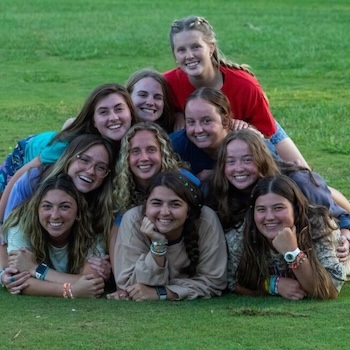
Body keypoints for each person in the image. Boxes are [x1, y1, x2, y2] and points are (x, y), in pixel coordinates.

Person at [164, 15, 309, 167]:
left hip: (255, 132)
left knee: (304, 177)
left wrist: (239, 126)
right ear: (175, 54)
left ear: (211, 48)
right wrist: (177, 115)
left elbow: (266, 131)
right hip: (203, 140)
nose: (189, 55)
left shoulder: (245, 85)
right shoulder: (167, 83)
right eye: (181, 50)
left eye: (196, 47)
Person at [207, 129, 350, 280]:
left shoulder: (298, 182)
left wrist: (346, 237)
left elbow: (339, 214)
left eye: (247, 160)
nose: (239, 168)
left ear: (261, 159)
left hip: (318, 245)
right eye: (230, 161)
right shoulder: (218, 190)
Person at [0, 83, 138, 238]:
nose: (113, 117)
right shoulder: (70, 141)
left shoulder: (136, 141)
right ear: (93, 120)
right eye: (103, 112)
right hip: (26, 154)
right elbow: (21, 176)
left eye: (119, 109)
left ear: (131, 112)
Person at [107, 172, 227, 301]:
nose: (164, 212)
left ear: (189, 211)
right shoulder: (133, 220)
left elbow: (214, 281)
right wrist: (158, 247)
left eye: (175, 204)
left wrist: (163, 292)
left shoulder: (206, 220)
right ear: (145, 205)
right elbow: (128, 285)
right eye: (156, 203)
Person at [228, 175, 345, 300]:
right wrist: (273, 285)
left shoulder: (318, 226)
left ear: (295, 208)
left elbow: (329, 290)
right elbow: (233, 281)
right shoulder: (241, 235)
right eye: (261, 209)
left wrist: (293, 252)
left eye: (278, 208)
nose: (269, 217)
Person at [1, 174, 105, 298]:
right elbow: (19, 281)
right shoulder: (21, 227)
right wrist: (71, 291)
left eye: (65, 207)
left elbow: (92, 282)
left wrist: (35, 269)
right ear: (37, 210)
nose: (55, 215)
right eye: (47, 206)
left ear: (78, 212)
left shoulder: (91, 231)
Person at [110, 121, 198, 265]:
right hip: (146, 256)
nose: (144, 158)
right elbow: (115, 235)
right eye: (135, 151)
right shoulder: (124, 187)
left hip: (184, 255)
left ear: (163, 153)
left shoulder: (183, 180)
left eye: (151, 150)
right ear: (127, 157)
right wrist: (121, 279)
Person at [125, 68, 176, 133]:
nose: (150, 102)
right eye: (143, 95)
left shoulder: (173, 137)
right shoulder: (116, 133)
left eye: (157, 97)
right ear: (127, 96)